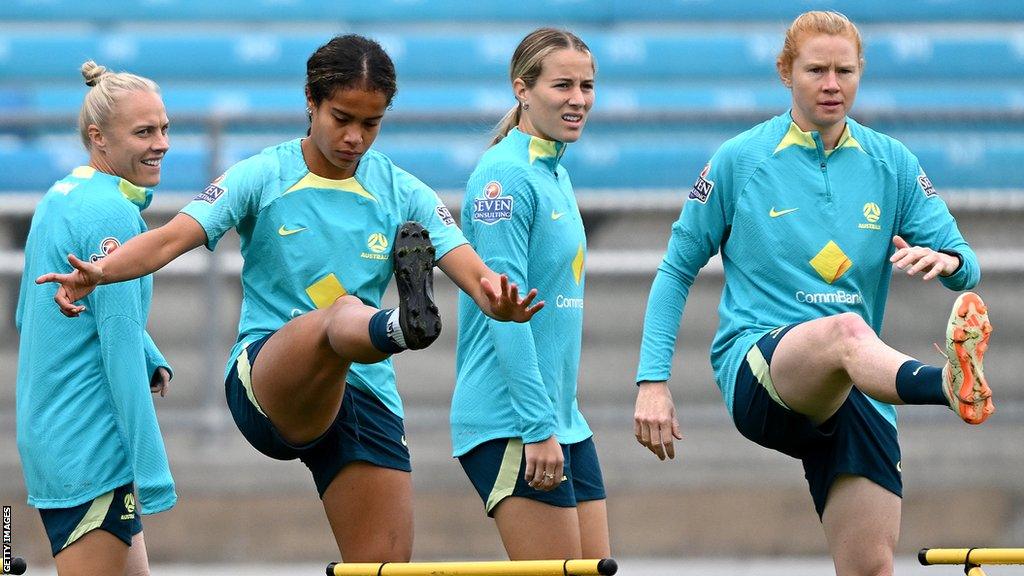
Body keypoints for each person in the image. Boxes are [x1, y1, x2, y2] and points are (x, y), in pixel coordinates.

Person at [37, 34, 542, 563]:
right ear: (311, 100)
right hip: (268, 378)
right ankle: (395, 328)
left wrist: (497, 302)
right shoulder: (264, 174)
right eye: (342, 118)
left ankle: (388, 329)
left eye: (370, 124)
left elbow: (476, 273)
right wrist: (102, 271)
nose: (354, 137)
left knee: (384, 569)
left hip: (363, 393)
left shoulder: (403, 191)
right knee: (341, 316)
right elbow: (169, 238)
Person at [632, 11, 993, 576]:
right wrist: (652, 380)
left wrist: (949, 261)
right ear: (785, 72)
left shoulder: (891, 162)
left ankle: (948, 382)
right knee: (847, 330)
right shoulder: (740, 160)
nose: (832, 84)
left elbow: (966, 265)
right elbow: (676, 269)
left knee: (870, 568)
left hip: (857, 386)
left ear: (861, 73)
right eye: (817, 70)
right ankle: (947, 383)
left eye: (845, 71)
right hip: (761, 368)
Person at [451, 28, 610, 561]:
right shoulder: (504, 177)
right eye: (562, 84)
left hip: (562, 419)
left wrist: (556, 421)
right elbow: (504, 314)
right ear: (522, 89)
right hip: (515, 422)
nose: (578, 99)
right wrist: (537, 427)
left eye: (587, 86)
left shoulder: (553, 170)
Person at [16, 61, 174, 576]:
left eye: (164, 128)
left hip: (54, 435)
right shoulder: (112, 215)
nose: (161, 143)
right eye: (144, 132)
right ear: (98, 138)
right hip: (91, 449)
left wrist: (152, 355)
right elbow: (118, 349)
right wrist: (153, 473)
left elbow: (28, 315)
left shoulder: (62, 194)